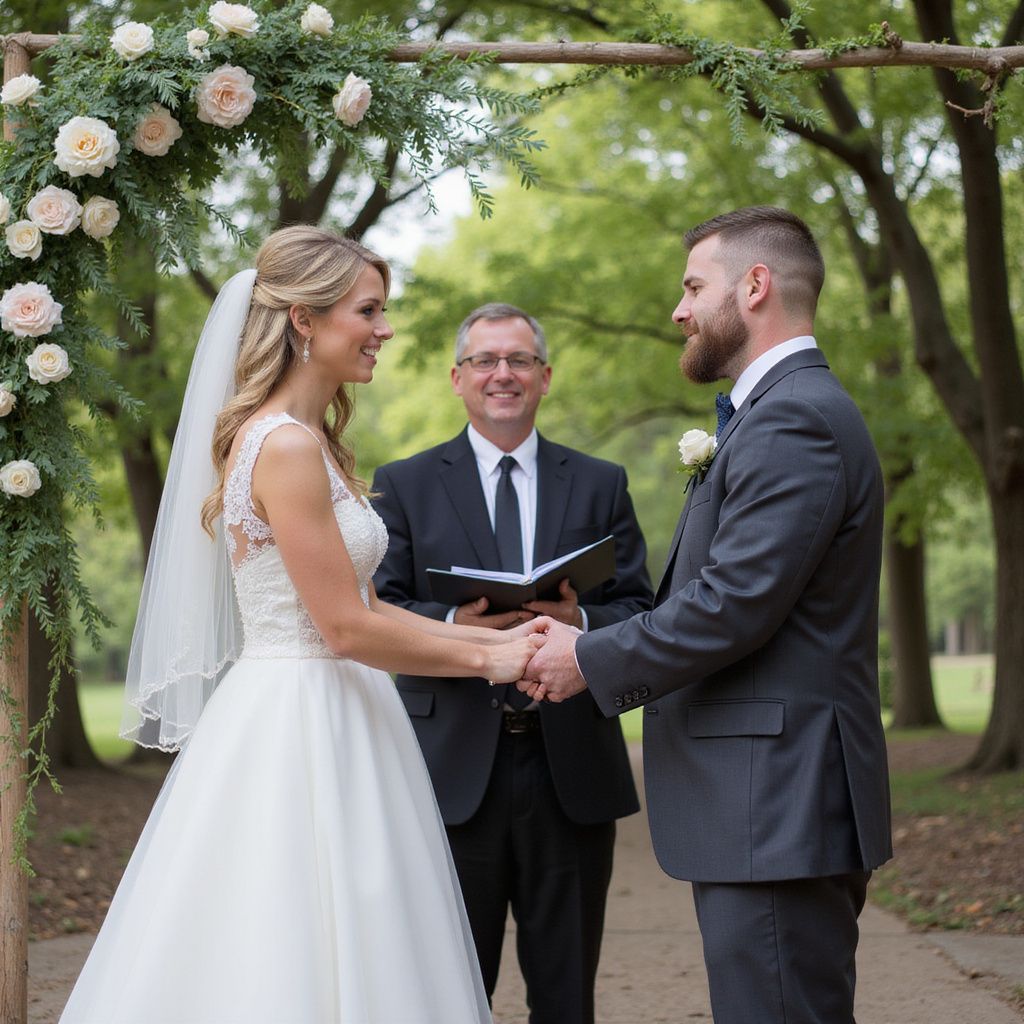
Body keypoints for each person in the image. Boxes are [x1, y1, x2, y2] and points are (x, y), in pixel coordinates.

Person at [60, 228, 546, 1023]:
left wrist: (495, 642)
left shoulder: (310, 441)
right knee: (289, 927)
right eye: (369, 310)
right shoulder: (282, 446)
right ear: (304, 322)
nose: (385, 329)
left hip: (343, 703)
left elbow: (366, 606)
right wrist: (491, 665)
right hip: (299, 719)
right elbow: (346, 630)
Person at [520, 207, 893, 1024]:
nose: (679, 310)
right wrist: (590, 633)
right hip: (765, 804)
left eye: (693, 286)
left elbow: (734, 606)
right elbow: (725, 593)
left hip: (776, 802)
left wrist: (588, 661)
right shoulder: (776, 415)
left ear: (755, 286)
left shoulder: (795, 419)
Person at [370, 303, 653, 1024]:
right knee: (451, 993)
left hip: (571, 769)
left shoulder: (601, 483)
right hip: (450, 772)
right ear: (457, 378)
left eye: (519, 360)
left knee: (567, 997)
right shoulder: (403, 483)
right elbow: (381, 607)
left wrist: (578, 621)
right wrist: (456, 625)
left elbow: (640, 612)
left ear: (545, 376)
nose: (503, 374)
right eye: (486, 361)